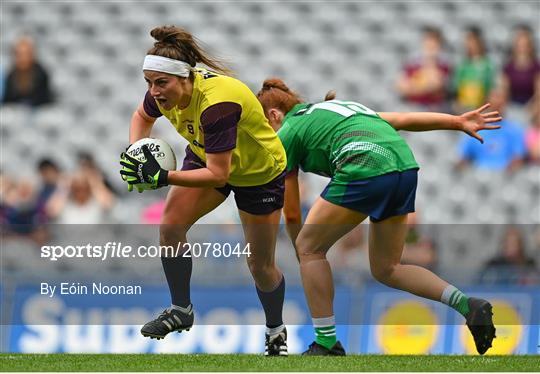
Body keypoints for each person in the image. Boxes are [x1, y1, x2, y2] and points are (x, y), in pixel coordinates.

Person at [256, 78, 500, 356]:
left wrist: (303, 251)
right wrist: (456, 122)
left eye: (266, 128)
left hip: (364, 165)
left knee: (309, 247)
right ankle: (468, 306)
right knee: (388, 268)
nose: (268, 137)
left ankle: (326, 343)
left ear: (274, 115)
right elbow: (403, 118)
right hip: (404, 167)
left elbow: (291, 211)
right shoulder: (341, 108)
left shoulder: (287, 131)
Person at [119, 26, 289, 356]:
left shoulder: (217, 105)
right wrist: (136, 151)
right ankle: (181, 311)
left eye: (160, 83)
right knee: (170, 227)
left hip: (258, 172)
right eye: (149, 83)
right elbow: (141, 117)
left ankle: (275, 332)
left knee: (259, 265)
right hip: (207, 154)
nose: (153, 91)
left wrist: (163, 176)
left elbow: (218, 174)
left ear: (185, 78)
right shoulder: (163, 90)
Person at [457, 87, 526, 172]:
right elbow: (463, 156)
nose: (497, 101)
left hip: (505, 176)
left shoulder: (515, 130)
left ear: (506, 101)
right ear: (487, 101)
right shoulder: (475, 128)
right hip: (478, 176)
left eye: (501, 97)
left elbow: (518, 158)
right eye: (494, 97)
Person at [396, 26, 452, 110]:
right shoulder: (412, 62)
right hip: (413, 107)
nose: (430, 44)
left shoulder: (444, 64)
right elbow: (401, 86)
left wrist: (430, 60)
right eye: (428, 40)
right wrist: (422, 88)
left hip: (434, 108)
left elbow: (435, 86)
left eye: (433, 41)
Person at [2, 36, 54, 107]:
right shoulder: (11, 74)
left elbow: (44, 99)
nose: (23, 58)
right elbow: (7, 100)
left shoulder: (41, 73)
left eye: (26, 53)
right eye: (19, 54)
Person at [453, 26, 495, 112]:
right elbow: (457, 85)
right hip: (463, 107)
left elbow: (491, 86)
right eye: (468, 41)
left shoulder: (488, 65)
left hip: (482, 106)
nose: (470, 45)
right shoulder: (463, 65)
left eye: (473, 41)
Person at [501, 25, 540, 106]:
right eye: (520, 45)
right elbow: (505, 92)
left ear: (530, 46)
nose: (522, 48)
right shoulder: (508, 67)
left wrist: (531, 108)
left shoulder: (536, 67)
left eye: (525, 45)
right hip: (512, 106)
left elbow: (538, 93)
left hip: (531, 106)